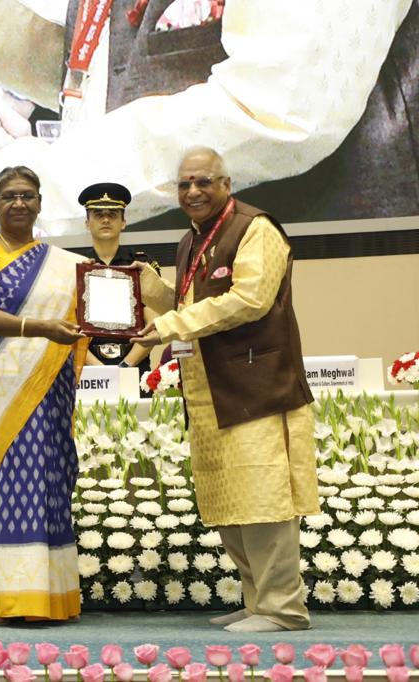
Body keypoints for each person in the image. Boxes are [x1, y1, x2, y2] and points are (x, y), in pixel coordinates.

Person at [0, 0, 416, 242]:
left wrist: (44, 186)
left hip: (317, 285)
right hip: (151, 287)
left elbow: (280, 107)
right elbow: (101, 69)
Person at [133, 147, 320, 633]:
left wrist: (169, 324)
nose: (192, 191)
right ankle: (259, 602)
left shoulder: (256, 229)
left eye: (203, 181)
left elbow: (249, 300)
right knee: (233, 501)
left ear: (226, 184)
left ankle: (283, 609)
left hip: (258, 388)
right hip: (211, 393)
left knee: (264, 501)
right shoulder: (191, 239)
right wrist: (145, 288)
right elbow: (190, 305)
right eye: (184, 184)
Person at [0, 165, 90, 624]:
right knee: (4, 488)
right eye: (10, 196)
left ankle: (51, 598)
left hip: (46, 387)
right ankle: (5, 600)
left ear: (39, 204)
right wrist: (40, 328)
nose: (19, 203)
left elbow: (90, 315)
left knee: (47, 480)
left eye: (28, 195)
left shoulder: (65, 264)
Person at [76, 182, 155, 388]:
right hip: (88, 370)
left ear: (123, 222)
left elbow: (153, 324)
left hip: (135, 365)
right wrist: (101, 371)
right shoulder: (76, 266)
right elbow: (70, 328)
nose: (105, 219)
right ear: (87, 223)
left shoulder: (141, 265)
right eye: (98, 214)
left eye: (112, 214)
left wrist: (125, 366)